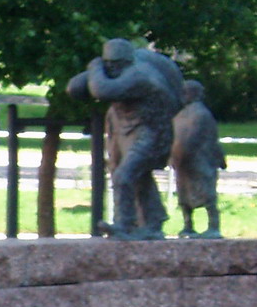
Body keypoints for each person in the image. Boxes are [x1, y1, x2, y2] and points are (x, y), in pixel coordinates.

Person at [67, 38, 179, 240]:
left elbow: (102, 90)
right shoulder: (119, 70)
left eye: (115, 64)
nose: (111, 68)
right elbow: (74, 88)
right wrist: (98, 69)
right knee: (140, 177)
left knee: (124, 175)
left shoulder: (139, 75)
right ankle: (153, 223)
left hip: (154, 133)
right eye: (108, 63)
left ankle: (125, 225)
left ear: (127, 62)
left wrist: (95, 67)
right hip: (135, 130)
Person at [170, 79, 226, 238]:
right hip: (184, 161)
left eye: (185, 93)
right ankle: (188, 225)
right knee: (184, 194)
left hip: (200, 159)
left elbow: (199, 138)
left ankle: (213, 226)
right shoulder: (181, 115)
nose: (182, 96)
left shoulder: (201, 114)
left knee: (207, 194)